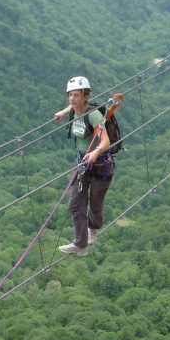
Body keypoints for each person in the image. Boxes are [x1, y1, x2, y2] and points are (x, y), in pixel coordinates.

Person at [54, 76, 114, 257]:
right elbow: (74, 107)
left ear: (85, 96)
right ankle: (80, 244)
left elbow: (105, 140)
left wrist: (95, 152)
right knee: (75, 205)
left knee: (95, 204)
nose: (72, 99)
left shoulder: (94, 115)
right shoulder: (73, 110)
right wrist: (64, 112)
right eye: (70, 95)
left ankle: (92, 231)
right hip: (82, 164)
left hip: (100, 165)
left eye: (76, 95)